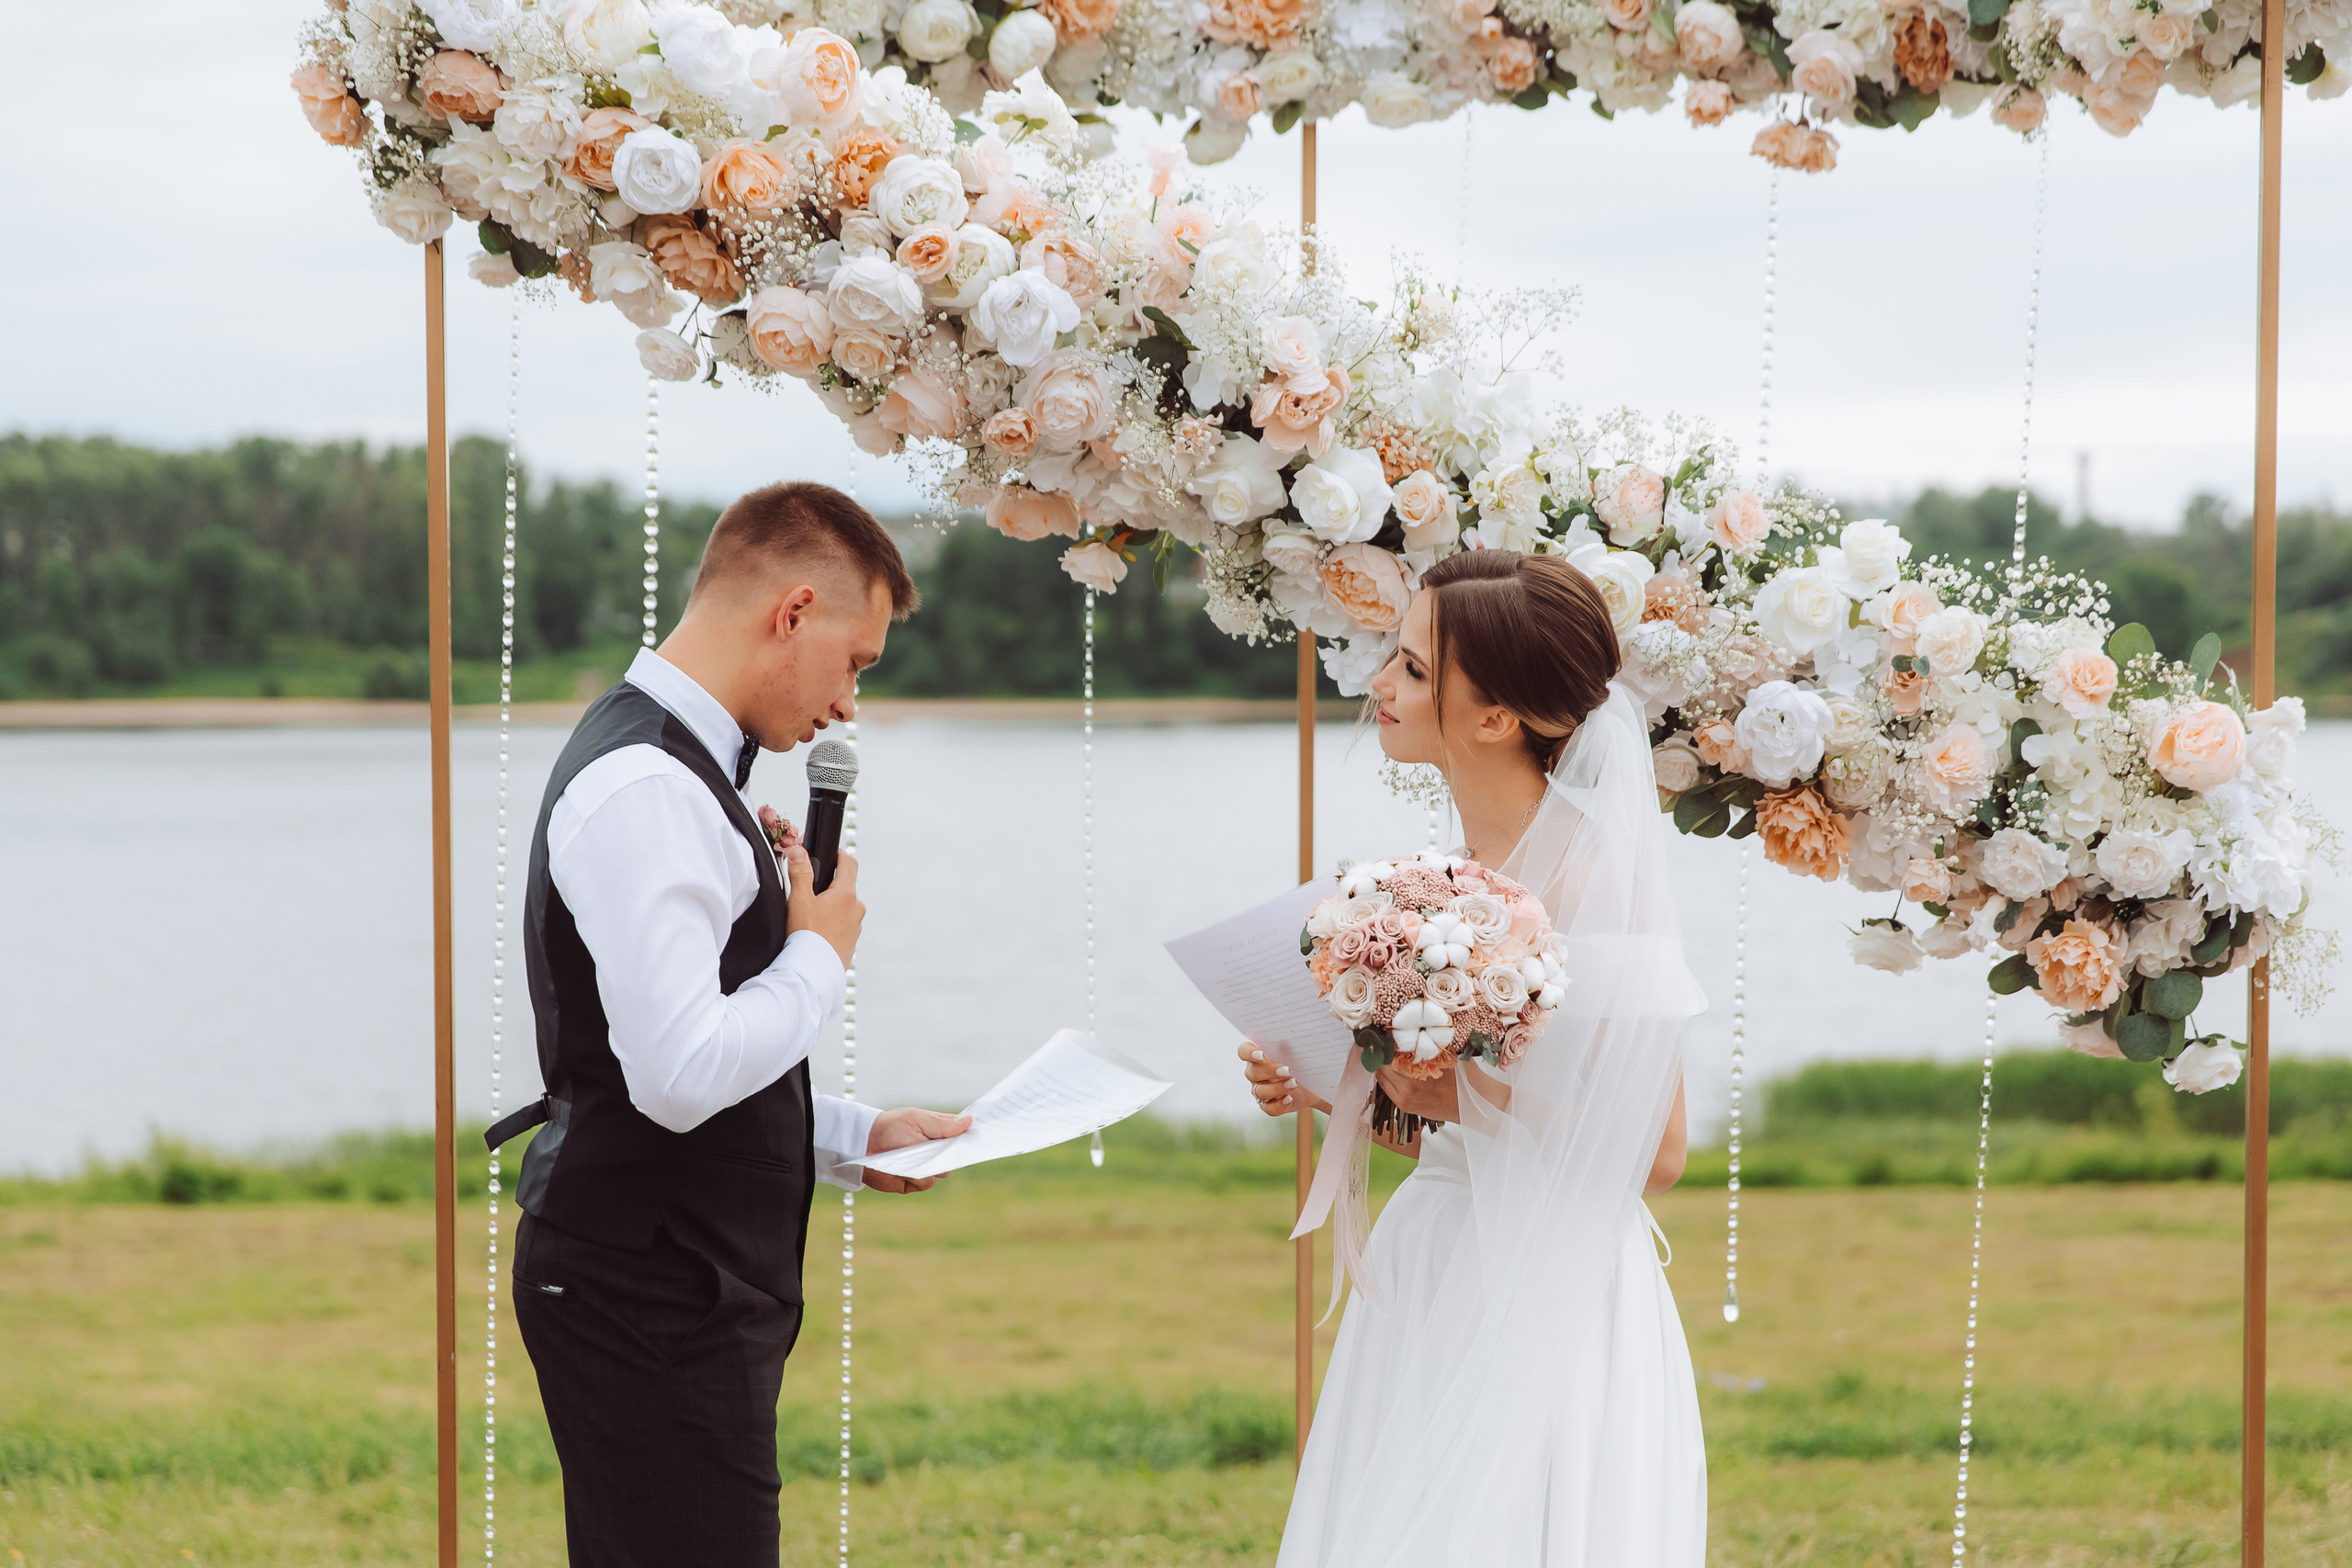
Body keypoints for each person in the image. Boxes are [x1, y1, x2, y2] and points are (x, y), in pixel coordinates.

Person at [491, 480, 969, 1567]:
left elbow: (674, 1060)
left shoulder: (686, 771)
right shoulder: (649, 788)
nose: (850, 705)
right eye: (856, 661)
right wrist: (818, 953)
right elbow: (675, 1075)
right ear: (792, 612)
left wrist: (851, 1137)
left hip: (674, 1285)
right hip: (645, 1294)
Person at [1238, 548, 1707, 1564]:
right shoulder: (1441, 882)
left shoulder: (1596, 882)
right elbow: (1469, 1123)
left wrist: (1444, 1096)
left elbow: (1657, 1152)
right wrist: (1336, 1084)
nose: (1380, 686)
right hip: (1435, 1258)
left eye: (1410, 668)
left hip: (1550, 1284)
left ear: (1495, 717)